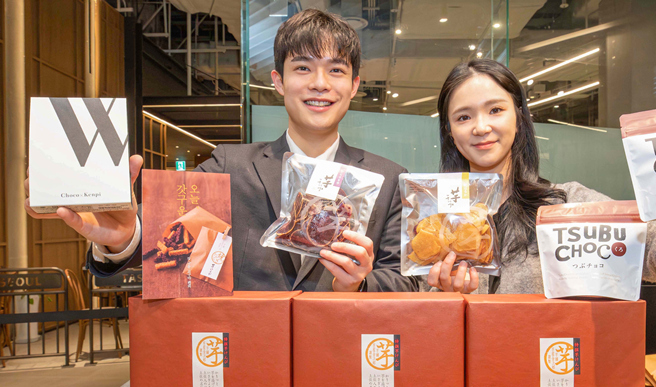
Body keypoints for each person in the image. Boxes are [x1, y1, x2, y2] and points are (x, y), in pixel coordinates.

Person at [24, 9, 417, 293]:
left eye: (336, 70)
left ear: (354, 85)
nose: (320, 83)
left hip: (344, 360)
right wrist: (126, 235)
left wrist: (357, 284)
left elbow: (406, 280)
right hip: (247, 362)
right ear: (278, 82)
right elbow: (168, 244)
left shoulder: (388, 179)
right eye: (302, 68)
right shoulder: (230, 166)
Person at [426, 59, 656, 294]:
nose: (481, 127)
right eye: (464, 117)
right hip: (454, 385)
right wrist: (443, 297)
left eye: (495, 110)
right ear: (450, 131)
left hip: (548, 379)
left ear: (519, 118)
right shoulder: (430, 219)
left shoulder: (565, 204)